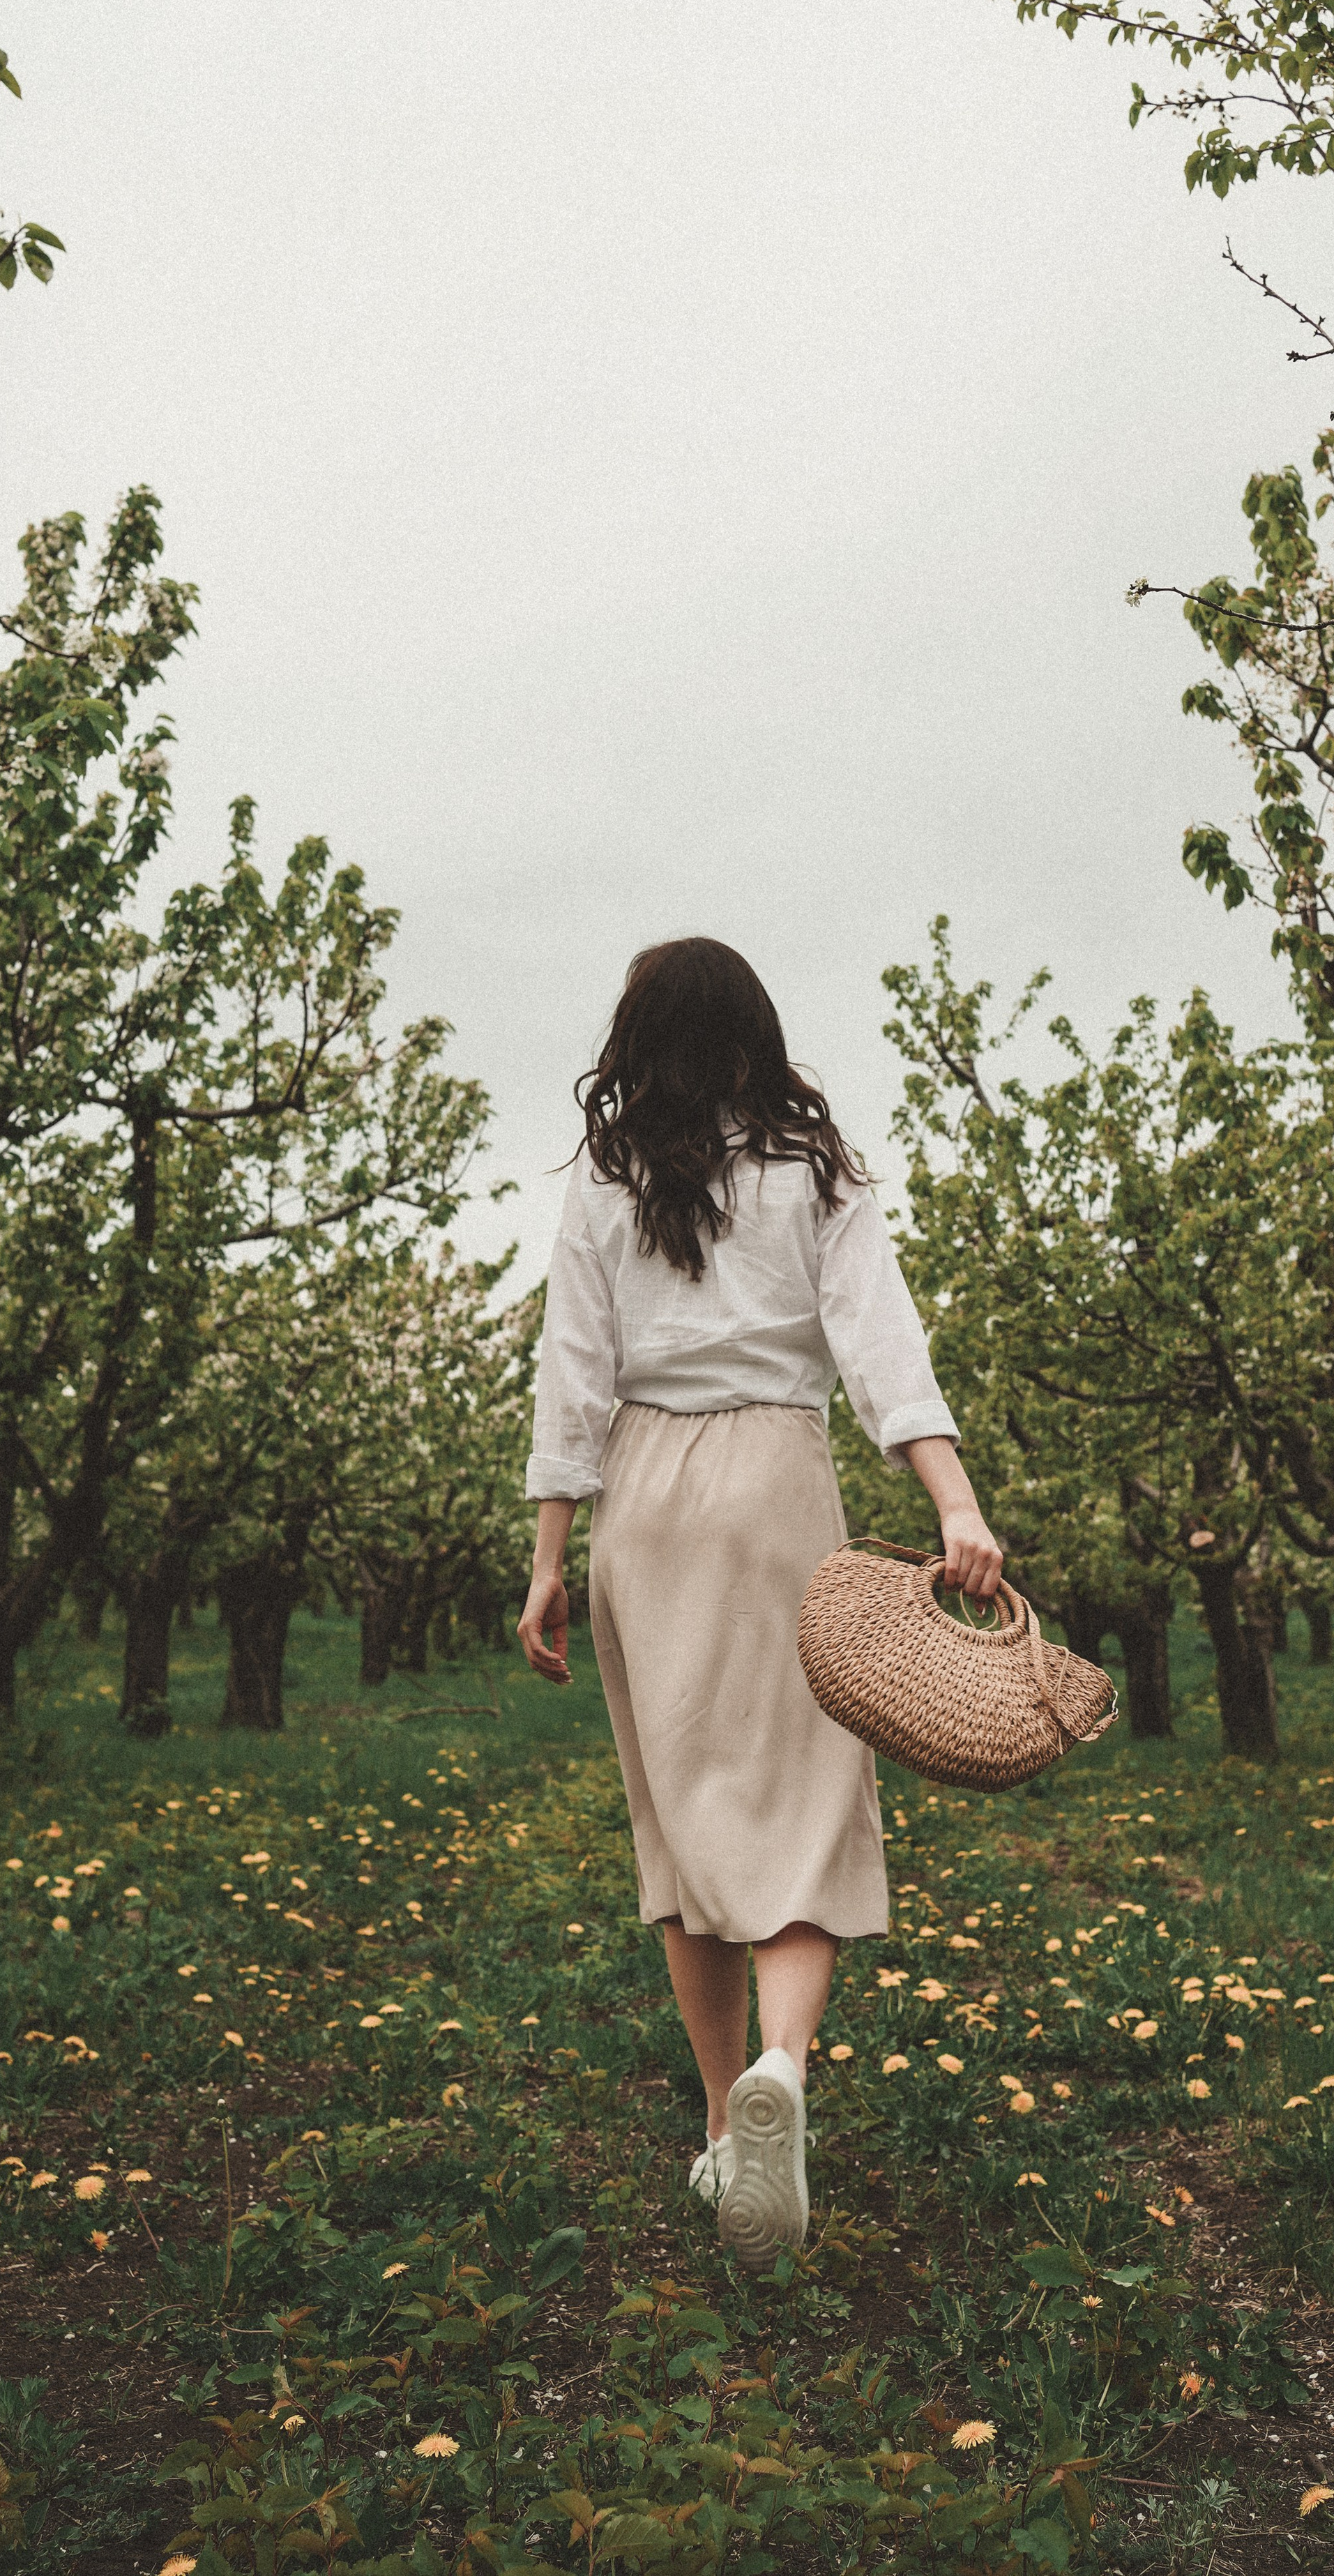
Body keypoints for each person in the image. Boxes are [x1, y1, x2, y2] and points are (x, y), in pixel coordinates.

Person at [517, 937, 1003, 2268]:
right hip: (780, 1479)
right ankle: (785, 2068)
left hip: (648, 1493)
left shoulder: (606, 1178)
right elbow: (880, 1345)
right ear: (753, 1036)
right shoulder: (812, 1166)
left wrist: (551, 1554)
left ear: (640, 1043)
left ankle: (729, 2120)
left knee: (684, 1824)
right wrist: (954, 1506)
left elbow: (574, 1368)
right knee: (802, 1801)